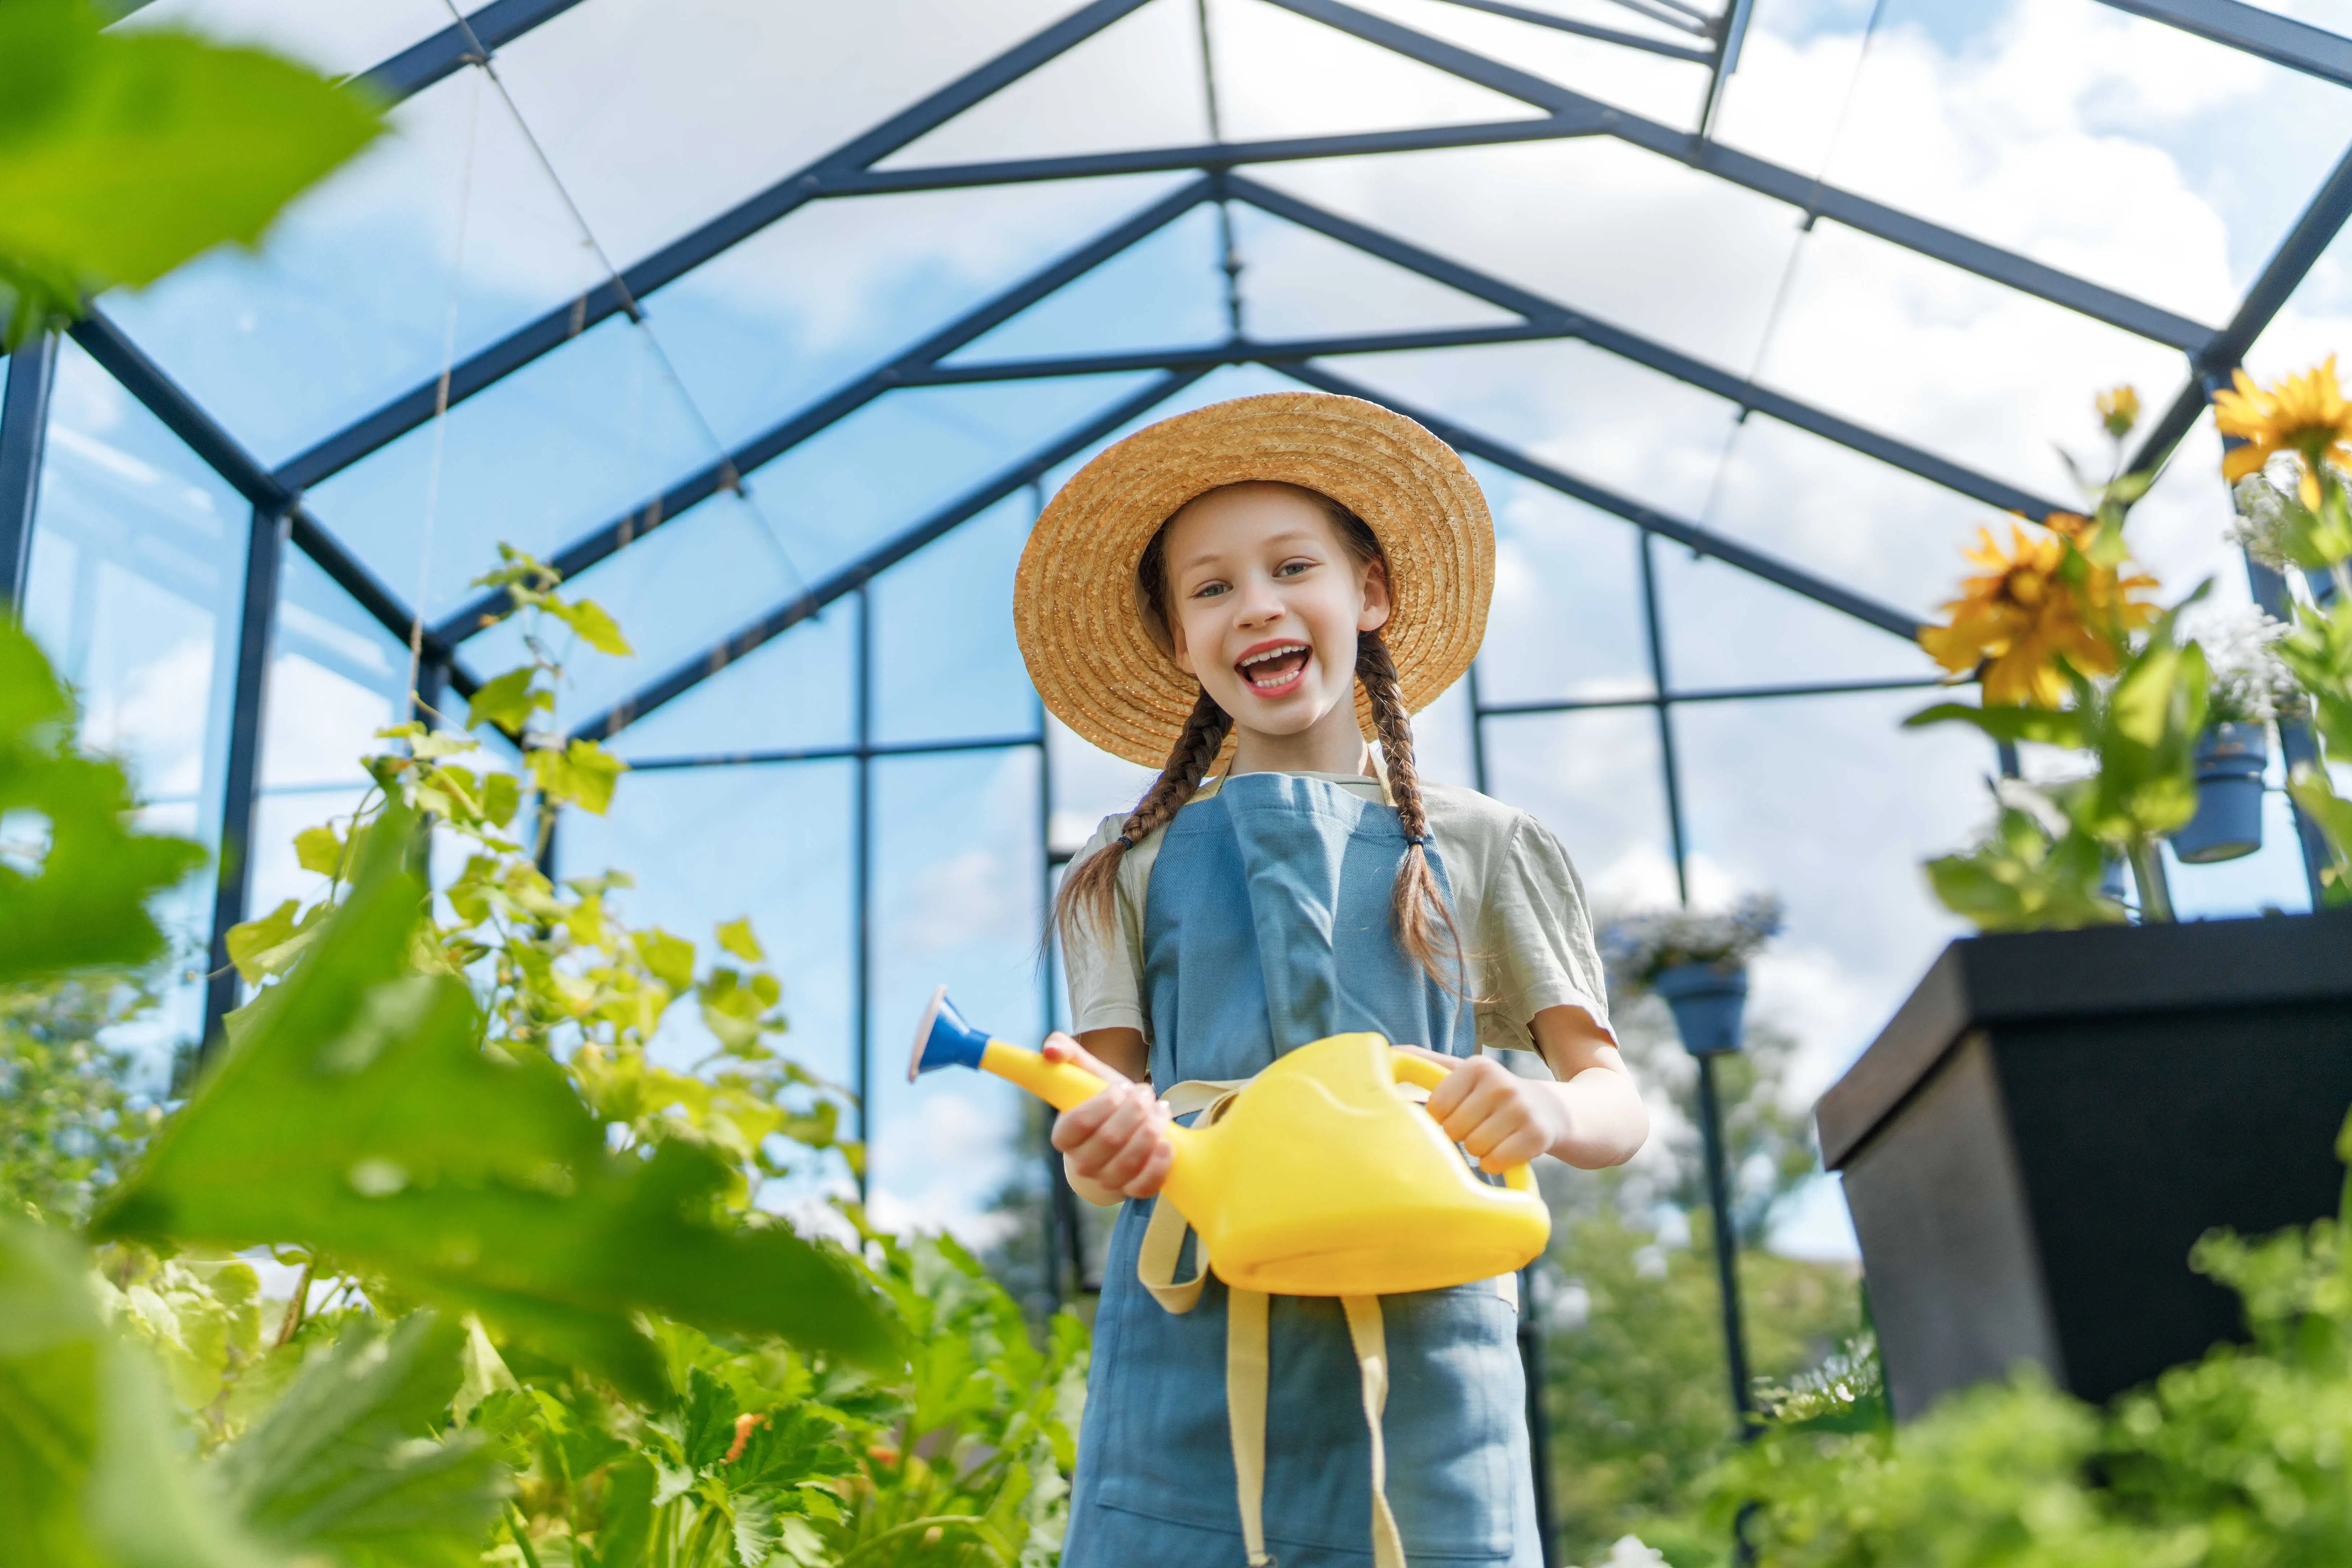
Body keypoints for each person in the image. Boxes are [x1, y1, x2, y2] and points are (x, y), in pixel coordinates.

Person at [1014, 392, 1649, 1568]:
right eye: (1209, 588)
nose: (1253, 604)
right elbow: (1099, 1119)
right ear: (1177, 640)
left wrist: (1550, 1108)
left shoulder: (1485, 844)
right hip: (1190, 1320)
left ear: (1370, 594)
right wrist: (1104, 1144)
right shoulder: (1124, 867)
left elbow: (1614, 1101)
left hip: (1427, 1317)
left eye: (1289, 566)